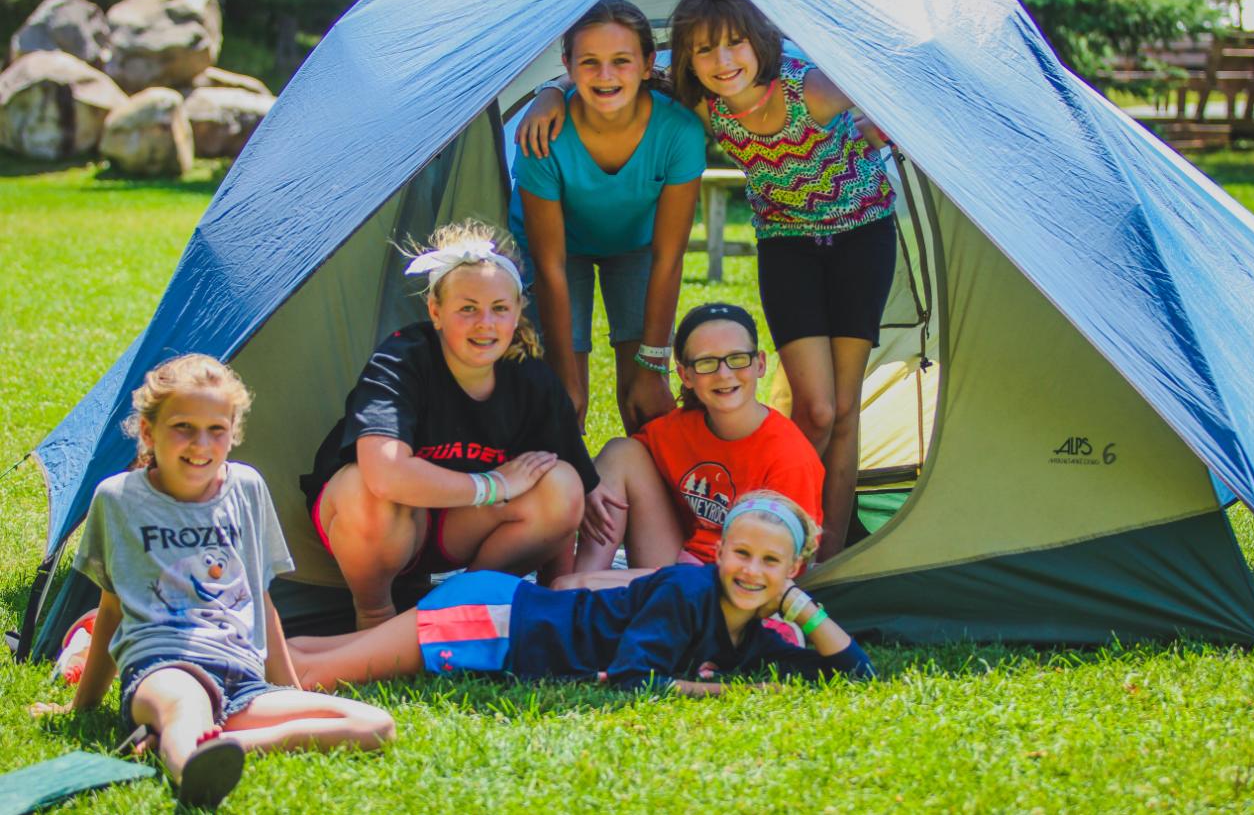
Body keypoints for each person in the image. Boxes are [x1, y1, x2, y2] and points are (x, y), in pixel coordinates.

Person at [519, 0, 897, 559]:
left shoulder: (805, 93)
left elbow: (880, 74)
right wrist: (549, 90)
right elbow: (610, 69)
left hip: (859, 235)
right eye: (704, 51)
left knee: (838, 409)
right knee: (814, 408)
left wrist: (877, 122)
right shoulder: (702, 101)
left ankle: (825, 559)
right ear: (684, 61)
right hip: (784, 241)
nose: (722, 61)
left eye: (736, 45)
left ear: (761, 43)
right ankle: (761, 542)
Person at [30, 355, 394, 809]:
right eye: (183, 426)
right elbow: (111, 608)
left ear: (233, 432)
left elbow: (260, 598)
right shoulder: (119, 499)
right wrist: (80, 708)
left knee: (373, 724)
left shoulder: (246, 487)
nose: (200, 444)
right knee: (185, 708)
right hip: (164, 667)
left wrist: (288, 691)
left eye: (216, 429)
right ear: (149, 432)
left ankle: (213, 746)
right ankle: (191, 765)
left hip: (241, 677)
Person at [299, 221, 599, 631]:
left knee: (561, 486)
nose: (485, 323)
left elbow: (569, 493)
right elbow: (385, 474)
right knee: (369, 490)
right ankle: (375, 616)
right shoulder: (403, 360)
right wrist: (494, 485)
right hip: (386, 526)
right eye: (467, 308)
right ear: (435, 312)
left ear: (516, 314)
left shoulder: (531, 378)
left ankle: (461, 609)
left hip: (460, 530)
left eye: (499, 309)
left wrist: (555, 590)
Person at [287, 491, 875, 694]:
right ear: (717, 553)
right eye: (741, 553)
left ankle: (244, 655)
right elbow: (631, 677)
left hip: (500, 609)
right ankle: (221, 674)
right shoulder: (686, 589)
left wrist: (801, 605)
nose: (751, 571)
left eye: (770, 562)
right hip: (496, 622)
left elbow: (854, 674)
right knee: (313, 677)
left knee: (317, 653)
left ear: (793, 566)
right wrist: (706, 690)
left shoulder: (752, 635)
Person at [510, 0, 706, 434]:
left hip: (638, 245)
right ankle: (568, 494)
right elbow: (550, 265)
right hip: (558, 252)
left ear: (648, 62)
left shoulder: (678, 131)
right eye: (590, 62)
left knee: (646, 399)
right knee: (561, 400)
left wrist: (654, 364)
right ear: (567, 63)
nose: (605, 76)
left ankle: (644, 492)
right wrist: (565, 375)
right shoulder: (543, 134)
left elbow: (668, 257)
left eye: (621, 60)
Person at [567, 303, 824, 583]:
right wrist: (589, 481)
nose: (724, 374)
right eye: (706, 363)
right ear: (685, 375)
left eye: (737, 358)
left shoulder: (789, 457)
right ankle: (584, 582)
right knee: (621, 451)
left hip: (740, 586)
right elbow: (620, 468)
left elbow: (784, 571)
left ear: (760, 364)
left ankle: (581, 593)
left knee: (573, 587)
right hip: (678, 563)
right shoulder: (679, 429)